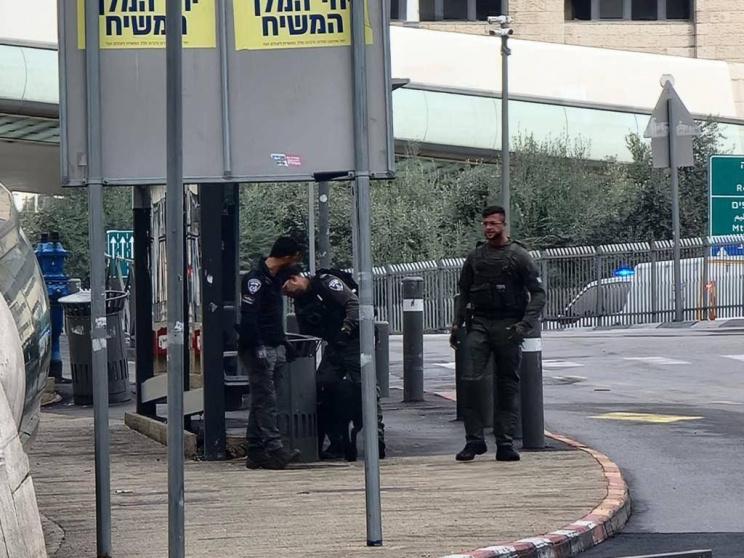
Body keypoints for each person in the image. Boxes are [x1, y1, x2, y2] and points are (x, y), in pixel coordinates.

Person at [450, 205, 545, 462]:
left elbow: (538, 294)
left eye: (493, 223)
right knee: (470, 380)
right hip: (480, 323)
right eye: (485, 223)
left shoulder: (519, 256)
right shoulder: (475, 257)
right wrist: (457, 324)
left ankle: (505, 442)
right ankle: (474, 440)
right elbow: (464, 292)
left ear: (504, 225)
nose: (488, 228)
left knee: (507, 384)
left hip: (508, 325)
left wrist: (524, 325)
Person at [282, 270, 386, 461]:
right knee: (321, 388)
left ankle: (376, 440)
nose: (286, 294)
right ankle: (337, 442)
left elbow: (354, 304)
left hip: (357, 341)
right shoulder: (301, 302)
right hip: (335, 346)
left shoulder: (326, 282)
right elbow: (308, 332)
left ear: (294, 278)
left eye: (286, 288)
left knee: (366, 387)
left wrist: (345, 330)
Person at [239, 236, 304, 470]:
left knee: (262, 399)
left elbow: (298, 278)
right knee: (267, 400)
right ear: (286, 257)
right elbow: (249, 317)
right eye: (295, 257)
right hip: (260, 347)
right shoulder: (255, 280)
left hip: (275, 345)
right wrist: (257, 347)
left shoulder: (276, 277)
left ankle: (256, 451)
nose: (296, 263)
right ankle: (275, 449)